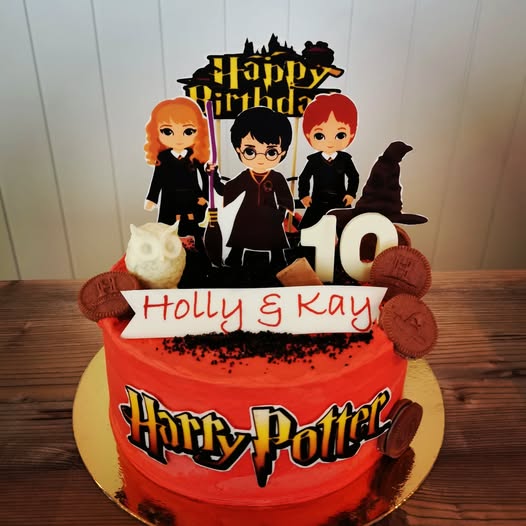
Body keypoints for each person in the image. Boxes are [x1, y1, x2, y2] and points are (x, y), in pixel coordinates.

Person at [214, 106, 294, 268]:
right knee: (240, 236)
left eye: (271, 152)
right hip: (247, 215)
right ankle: (234, 258)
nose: (260, 159)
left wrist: (281, 214)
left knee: (275, 239)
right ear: (239, 149)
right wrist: (213, 175)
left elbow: (285, 199)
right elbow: (225, 190)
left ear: (283, 153)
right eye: (250, 151)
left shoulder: (277, 178)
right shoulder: (245, 176)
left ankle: (278, 260)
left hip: (270, 216)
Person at [144, 97, 211, 248]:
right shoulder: (163, 158)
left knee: (195, 228)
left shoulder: (195, 156)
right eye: (168, 131)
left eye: (188, 131)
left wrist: (205, 196)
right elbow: (157, 179)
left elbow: (206, 177)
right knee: (170, 230)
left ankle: (199, 251)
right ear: (156, 133)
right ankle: (172, 252)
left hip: (192, 197)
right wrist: (152, 198)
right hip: (170, 198)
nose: (179, 138)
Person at [298, 93, 359, 229]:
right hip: (317, 201)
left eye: (340, 135)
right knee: (307, 228)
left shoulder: (345, 159)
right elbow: (304, 178)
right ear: (308, 135)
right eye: (320, 136)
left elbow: (354, 176)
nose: (330, 142)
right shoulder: (313, 160)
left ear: (351, 135)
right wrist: (304, 195)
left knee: (346, 228)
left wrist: (351, 194)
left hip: (340, 200)